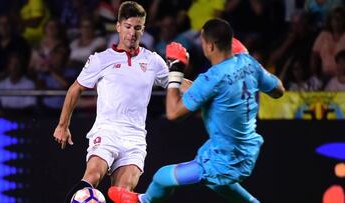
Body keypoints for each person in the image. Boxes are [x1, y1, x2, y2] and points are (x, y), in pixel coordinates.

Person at [108, 18, 285, 203]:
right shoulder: (248, 62)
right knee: (219, 184)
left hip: (224, 159)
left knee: (162, 177)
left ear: (210, 46)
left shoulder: (210, 79)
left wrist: (175, 69)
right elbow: (278, 90)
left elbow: (173, 113)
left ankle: (140, 202)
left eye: (202, 42)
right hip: (247, 150)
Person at [52, 1, 173, 202]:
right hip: (107, 131)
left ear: (143, 29)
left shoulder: (153, 61)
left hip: (134, 138)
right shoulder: (101, 59)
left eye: (137, 28)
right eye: (127, 27)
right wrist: (63, 125)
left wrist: (208, 86)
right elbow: (75, 89)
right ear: (118, 26)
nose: (132, 33)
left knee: (122, 192)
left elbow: (177, 83)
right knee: (92, 176)